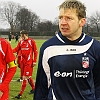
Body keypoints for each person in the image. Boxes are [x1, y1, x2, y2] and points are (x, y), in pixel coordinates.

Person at [34, 0, 100, 100]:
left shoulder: (94, 47)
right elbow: (42, 86)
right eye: (60, 18)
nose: (63, 22)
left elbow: (98, 84)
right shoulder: (48, 47)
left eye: (68, 18)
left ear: (82, 21)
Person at [13, 30, 38, 99]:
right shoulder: (21, 42)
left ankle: (20, 94)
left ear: (26, 35)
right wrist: (9, 51)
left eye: (23, 36)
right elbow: (16, 49)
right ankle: (34, 89)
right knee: (28, 76)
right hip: (22, 62)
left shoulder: (31, 41)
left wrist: (34, 61)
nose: (22, 37)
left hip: (29, 62)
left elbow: (35, 52)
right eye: (21, 36)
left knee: (25, 77)